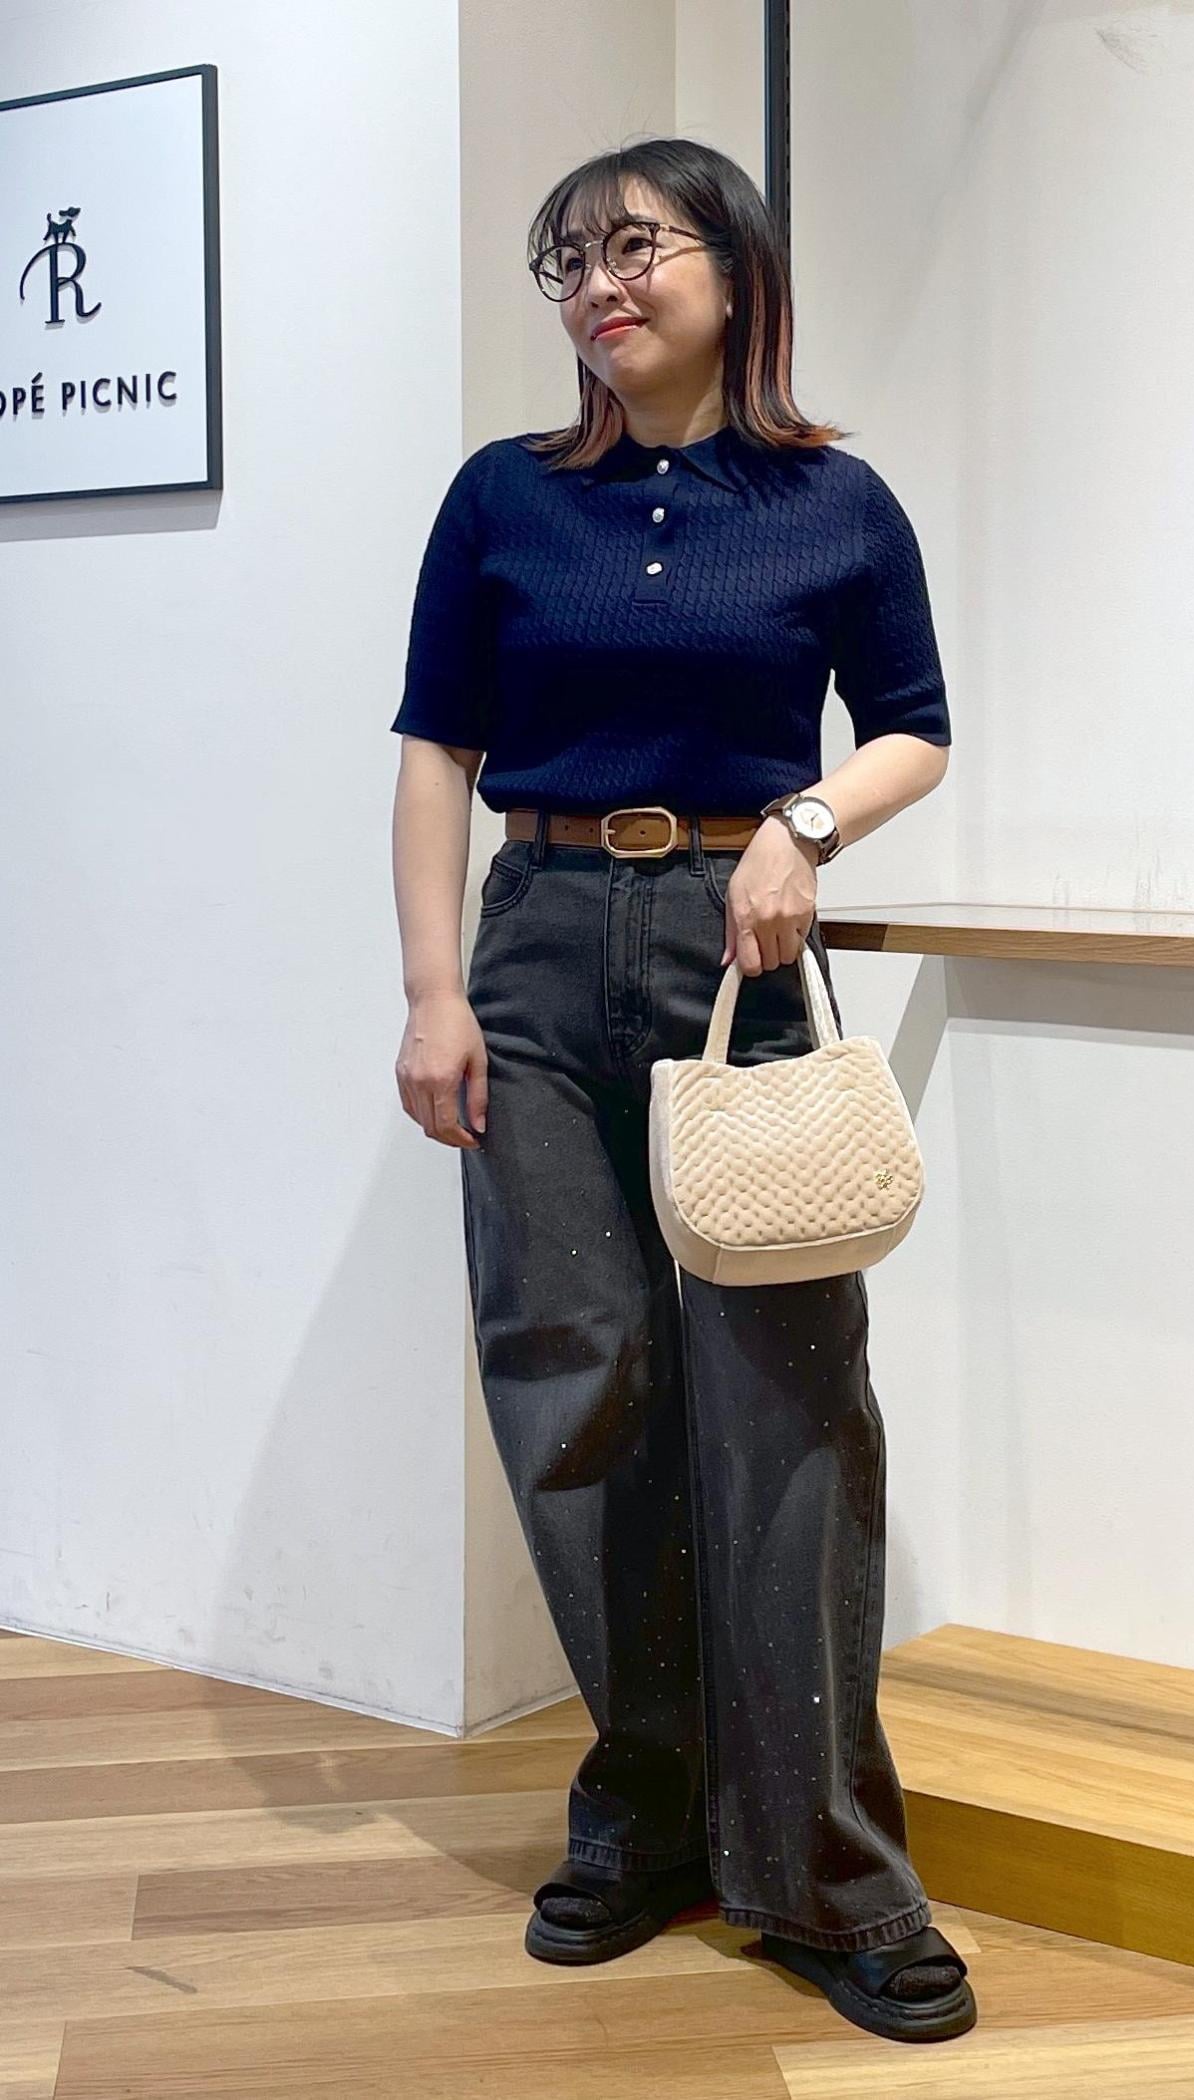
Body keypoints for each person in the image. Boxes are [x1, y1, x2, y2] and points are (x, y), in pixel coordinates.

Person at [389, 137, 972, 2045]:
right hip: (540, 943)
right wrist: (435, 994)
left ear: (734, 267)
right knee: (578, 1388)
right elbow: (437, 753)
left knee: (787, 1402)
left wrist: (805, 823)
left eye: (634, 247)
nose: (598, 286)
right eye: (568, 262)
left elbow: (914, 733)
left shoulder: (832, 502)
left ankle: (827, 1871)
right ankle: (644, 1811)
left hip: (742, 950)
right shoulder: (503, 499)